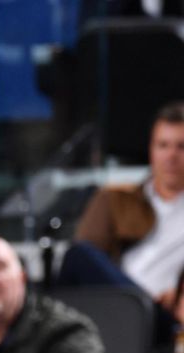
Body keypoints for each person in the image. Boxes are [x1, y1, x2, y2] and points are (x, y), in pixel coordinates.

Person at [61, 101, 184, 312]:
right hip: (121, 301)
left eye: (181, 146)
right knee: (78, 255)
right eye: (163, 145)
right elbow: (89, 259)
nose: (171, 156)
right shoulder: (115, 199)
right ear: (151, 150)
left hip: (164, 312)